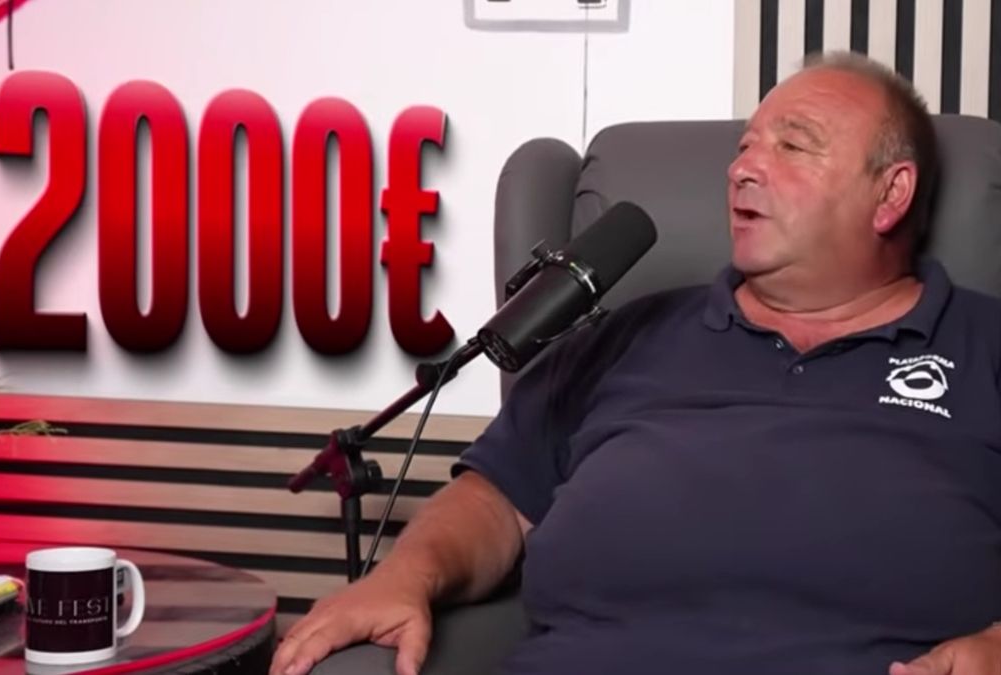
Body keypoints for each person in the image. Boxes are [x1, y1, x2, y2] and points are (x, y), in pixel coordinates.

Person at [271, 51, 1001, 675]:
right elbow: (495, 497)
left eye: (793, 146)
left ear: (890, 193)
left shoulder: (984, 345)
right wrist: (406, 575)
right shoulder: (629, 334)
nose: (743, 168)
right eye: (746, 146)